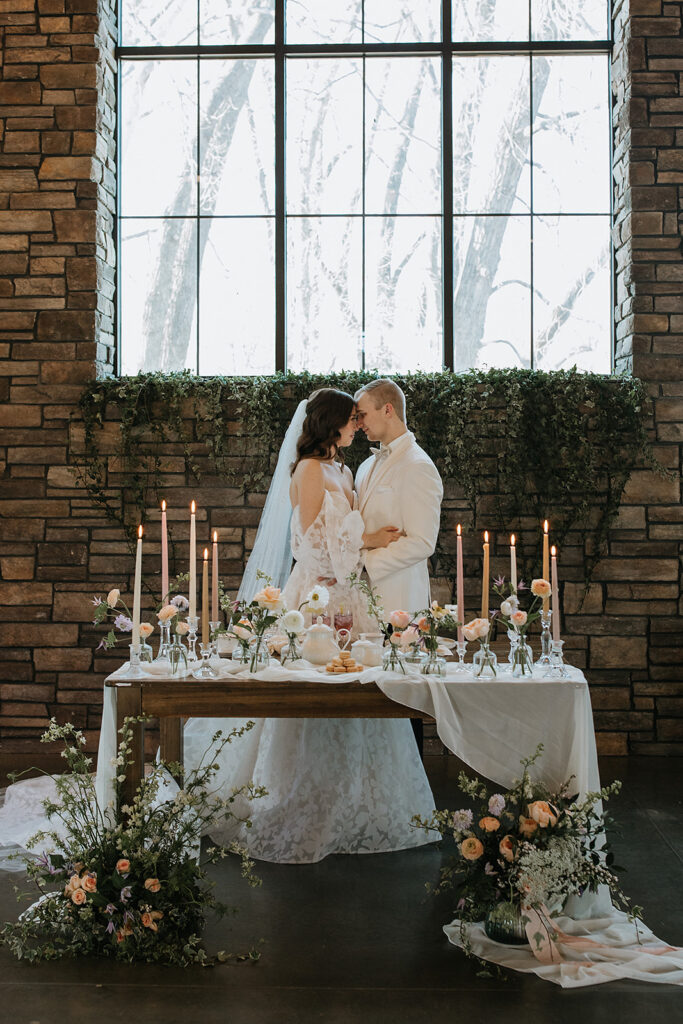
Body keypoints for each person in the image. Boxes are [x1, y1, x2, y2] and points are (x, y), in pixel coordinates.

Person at [183, 387, 438, 864]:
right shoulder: (310, 470)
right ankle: (295, 797)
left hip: (350, 593)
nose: (358, 425)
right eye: (351, 418)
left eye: (361, 416)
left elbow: (348, 530)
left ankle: (353, 801)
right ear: (332, 423)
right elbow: (309, 541)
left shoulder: (346, 468)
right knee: (307, 693)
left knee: (357, 695)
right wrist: (367, 541)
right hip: (318, 592)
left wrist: (360, 548)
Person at [354, 379, 443, 614]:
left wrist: (366, 563)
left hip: (399, 599)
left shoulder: (418, 466)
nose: (358, 424)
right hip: (360, 598)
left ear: (387, 410)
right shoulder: (365, 466)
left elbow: (422, 542)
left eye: (363, 415)